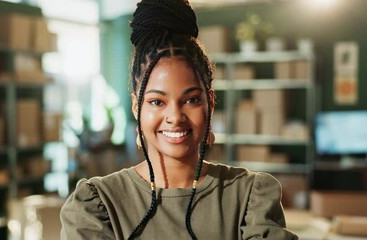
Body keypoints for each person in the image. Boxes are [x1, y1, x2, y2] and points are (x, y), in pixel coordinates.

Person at [60, 0, 298, 239]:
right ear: (136, 106)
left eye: (191, 100)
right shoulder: (96, 204)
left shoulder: (250, 196)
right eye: (157, 101)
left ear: (211, 103)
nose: (174, 117)